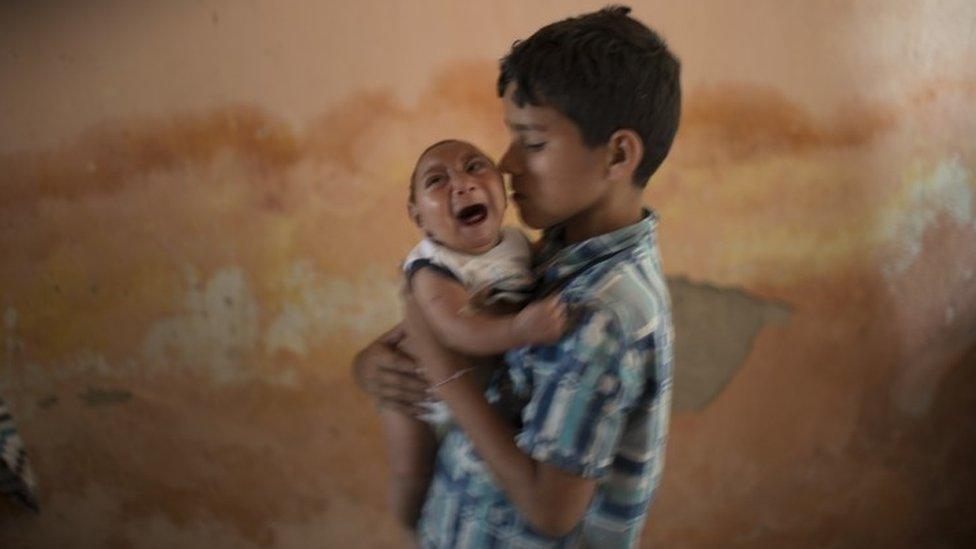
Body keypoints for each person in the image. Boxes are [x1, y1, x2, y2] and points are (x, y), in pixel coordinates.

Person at [354, 5, 680, 547]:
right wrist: (379, 367)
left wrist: (443, 372)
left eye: (531, 142)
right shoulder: (551, 253)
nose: (505, 163)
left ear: (618, 154)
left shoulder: (602, 311)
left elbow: (550, 512)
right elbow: (495, 372)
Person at [379, 138, 567, 528]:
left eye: (475, 167)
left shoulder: (517, 243)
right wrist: (518, 328)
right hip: (420, 395)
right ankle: (409, 526)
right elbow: (456, 330)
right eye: (437, 180)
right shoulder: (433, 267)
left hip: (473, 390)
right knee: (411, 471)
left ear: (502, 189)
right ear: (418, 217)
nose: (462, 184)